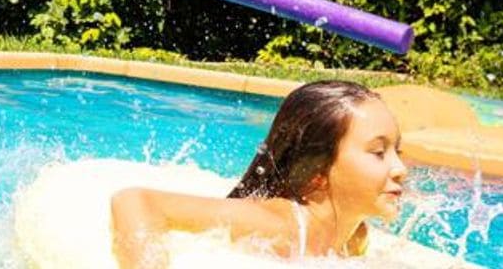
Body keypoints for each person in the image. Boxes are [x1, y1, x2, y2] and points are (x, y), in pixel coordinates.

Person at [110, 80, 409, 266]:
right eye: (378, 153)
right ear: (317, 171)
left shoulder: (354, 236)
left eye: (398, 150)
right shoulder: (280, 227)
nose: (400, 169)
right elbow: (137, 202)